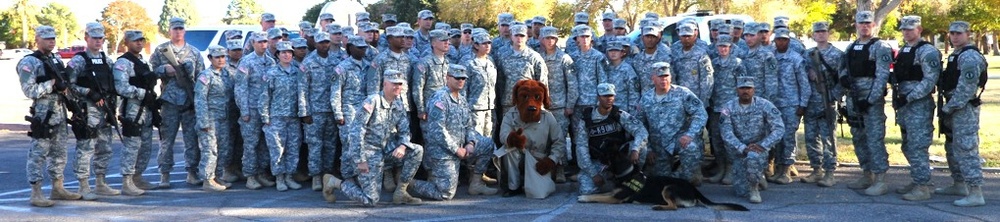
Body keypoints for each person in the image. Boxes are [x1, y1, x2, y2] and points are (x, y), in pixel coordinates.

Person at [323, 70, 425, 206]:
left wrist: (402, 145)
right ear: (385, 84)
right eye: (394, 84)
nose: (397, 87)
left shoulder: (399, 104)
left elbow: (405, 132)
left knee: (416, 150)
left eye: (400, 84)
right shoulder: (372, 101)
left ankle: (401, 192)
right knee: (371, 200)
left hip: (384, 148)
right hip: (367, 151)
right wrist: (360, 160)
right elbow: (356, 131)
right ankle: (334, 182)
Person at [412, 65, 499, 200]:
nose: (461, 81)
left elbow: (469, 125)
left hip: (462, 146)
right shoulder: (440, 99)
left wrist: (470, 142)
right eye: (457, 78)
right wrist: (456, 149)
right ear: (447, 78)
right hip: (442, 150)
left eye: (463, 78)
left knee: (487, 144)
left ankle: (476, 183)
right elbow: (437, 131)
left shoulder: (462, 99)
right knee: (445, 194)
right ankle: (409, 184)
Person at [19, 25, 83, 207]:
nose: (51, 41)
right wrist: (52, 84)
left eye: (53, 38)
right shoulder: (29, 62)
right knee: (38, 153)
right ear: (37, 39)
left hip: (59, 112)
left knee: (59, 153)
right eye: (46, 38)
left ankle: (58, 188)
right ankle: (36, 192)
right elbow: (29, 90)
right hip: (44, 115)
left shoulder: (55, 59)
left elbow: (65, 86)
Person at [886, 16, 941, 200]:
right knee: (908, 146)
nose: (906, 32)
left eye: (911, 29)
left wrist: (910, 97)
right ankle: (918, 179)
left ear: (920, 29)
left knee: (917, 146)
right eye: (904, 29)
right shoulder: (905, 49)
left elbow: (930, 79)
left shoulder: (927, 51)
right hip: (904, 104)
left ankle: (922, 187)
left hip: (918, 105)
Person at [839, 11, 893, 196]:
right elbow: (843, 69)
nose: (864, 26)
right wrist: (844, 78)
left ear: (873, 25)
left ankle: (880, 179)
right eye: (861, 23)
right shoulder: (851, 47)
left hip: (871, 100)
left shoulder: (880, 47)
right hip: (854, 99)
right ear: (856, 25)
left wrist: (870, 100)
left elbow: (882, 75)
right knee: (858, 137)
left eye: (868, 23)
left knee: (874, 138)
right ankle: (866, 174)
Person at [935, 21, 987, 207]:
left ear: (968, 34)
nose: (954, 36)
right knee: (952, 147)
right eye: (951, 33)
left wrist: (948, 108)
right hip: (953, 106)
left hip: (963, 109)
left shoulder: (970, 57)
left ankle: (975, 192)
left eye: (958, 33)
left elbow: (966, 89)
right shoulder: (956, 54)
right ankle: (959, 184)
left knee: (966, 149)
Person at [149, 17, 205, 188]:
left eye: (181, 29)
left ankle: (191, 172)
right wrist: (164, 70)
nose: (178, 32)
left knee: (191, 139)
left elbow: (200, 76)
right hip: (170, 101)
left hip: (189, 101)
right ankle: (164, 174)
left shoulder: (194, 52)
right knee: (167, 139)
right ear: (170, 31)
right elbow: (151, 72)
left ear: (184, 31)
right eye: (175, 29)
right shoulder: (161, 50)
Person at [67, 22, 120, 199]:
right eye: (94, 37)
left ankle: (100, 182)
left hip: (105, 110)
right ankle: (83, 186)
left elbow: (114, 84)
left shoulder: (107, 60)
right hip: (88, 110)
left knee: (105, 148)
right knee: (86, 148)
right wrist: (88, 92)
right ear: (86, 38)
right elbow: (68, 85)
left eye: (100, 38)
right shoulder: (79, 60)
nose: (98, 41)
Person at [637, 62, 708, 185]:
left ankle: (689, 177)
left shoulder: (683, 93)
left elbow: (700, 114)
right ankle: (676, 177)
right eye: (659, 77)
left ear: (671, 77)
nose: (663, 80)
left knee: (690, 148)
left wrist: (689, 135)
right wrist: (648, 149)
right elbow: (639, 125)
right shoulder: (646, 99)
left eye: (666, 76)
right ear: (652, 78)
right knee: (661, 181)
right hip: (658, 144)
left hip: (679, 139)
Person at [573, 83, 648, 195]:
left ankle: (634, 177)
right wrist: (593, 174)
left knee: (641, 148)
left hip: (619, 158)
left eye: (611, 96)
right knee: (587, 190)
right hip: (600, 161)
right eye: (605, 96)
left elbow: (641, 131)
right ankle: (613, 181)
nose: (609, 99)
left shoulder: (619, 115)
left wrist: (635, 149)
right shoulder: (587, 120)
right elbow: (581, 149)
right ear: (598, 97)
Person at [719, 76, 785, 204]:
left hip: (758, 149)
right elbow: (725, 132)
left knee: (752, 157)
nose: (745, 91)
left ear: (753, 90)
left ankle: (754, 189)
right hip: (738, 151)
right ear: (737, 90)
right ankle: (757, 177)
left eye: (748, 88)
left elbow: (779, 129)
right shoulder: (728, 107)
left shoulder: (765, 105)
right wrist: (742, 147)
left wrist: (763, 145)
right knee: (740, 192)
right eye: (742, 88)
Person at [261, 41, 310, 191]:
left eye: (289, 52)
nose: (287, 55)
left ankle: (289, 176)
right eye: (283, 52)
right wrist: (265, 116)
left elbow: (304, 92)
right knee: (277, 149)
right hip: (276, 116)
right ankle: (279, 178)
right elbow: (264, 96)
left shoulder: (298, 71)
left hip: (293, 116)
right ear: (277, 55)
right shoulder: (271, 73)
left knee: (293, 148)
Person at [113, 30, 157, 195]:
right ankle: (127, 181)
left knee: (145, 145)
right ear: (127, 43)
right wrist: (142, 93)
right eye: (135, 41)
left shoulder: (142, 62)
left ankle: (138, 176)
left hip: (146, 109)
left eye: (141, 40)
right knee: (132, 146)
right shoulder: (123, 63)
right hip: (132, 109)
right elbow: (121, 87)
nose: (139, 43)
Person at [802, 21, 845, 187]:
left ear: (828, 33)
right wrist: (809, 74)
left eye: (823, 31)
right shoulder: (808, 54)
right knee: (811, 137)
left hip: (827, 101)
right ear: (813, 34)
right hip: (811, 101)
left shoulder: (837, 55)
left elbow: (843, 78)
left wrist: (834, 96)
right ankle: (816, 169)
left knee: (828, 138)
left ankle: (830, 172)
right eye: (817, 32)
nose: (820, 34)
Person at [767, 28, 810, 185]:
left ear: (789, 41)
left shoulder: (796, 59)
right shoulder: (771, 57)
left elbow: (804, 84)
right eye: (778, 39)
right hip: (775, 104)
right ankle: (778, 169)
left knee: (788, 137)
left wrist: (803, 104)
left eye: (784, 40)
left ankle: (786, 170)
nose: (781, 42)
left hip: (792, 104)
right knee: (777, 137)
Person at [236, 32, 277, 190]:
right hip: (252, 109)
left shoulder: (271, 62)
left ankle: (261, 173)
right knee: (251, 144)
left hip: (266, 110)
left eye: (265, 41)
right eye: (259, 42)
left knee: (264, 144)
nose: (263, 45)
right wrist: (244, 111)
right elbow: (240, 88)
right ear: (253, 43)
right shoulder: (246, 62)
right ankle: (250, 176)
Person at [300, 32, 340, 191]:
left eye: (326, 42)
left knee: (330, 144)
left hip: (331, 110)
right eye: (321, 43)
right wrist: (304, 112)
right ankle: (316, 176)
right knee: (315, 145)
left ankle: (327, 174)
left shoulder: (336, 61)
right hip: (314, 111)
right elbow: (302, 88)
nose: (324, 45)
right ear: (315, 44)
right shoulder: (308, 63)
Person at [195, 45, 236, 191]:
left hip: (224, 119)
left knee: (223, 149)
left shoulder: (227, 74)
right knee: (210, 150)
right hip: (210, 119)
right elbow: (200, 99)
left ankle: (217, 176)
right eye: (217, 57)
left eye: (223, 56)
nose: (221, 59)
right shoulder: (206, 76)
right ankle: (208, 179)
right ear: (210, 58)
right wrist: (203, 121)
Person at [707, 34, 746, 185]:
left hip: (731, 108)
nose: (723, 49)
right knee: (716, 139)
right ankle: (721, 168)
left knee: (730, 139)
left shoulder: (737, 64)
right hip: (716, 107)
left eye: (726, 46)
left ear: (730, 47)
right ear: (716, 47)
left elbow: (743, 86)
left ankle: (731, 169)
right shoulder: (713, 63)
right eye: (720, 46)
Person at [497, 24, 548, 114]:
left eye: (522, 36)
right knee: (509, 128)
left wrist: (541, 103)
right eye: (516, 35)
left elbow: (542, 82)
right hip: (508, 103)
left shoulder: (534, 57)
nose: (519, 38)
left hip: (528, 102)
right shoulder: (502, 55)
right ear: (511, 37)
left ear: (527, 37)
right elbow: (500, 81)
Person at [464, 32, 499, 139]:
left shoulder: (491, 61)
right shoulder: (468, 62)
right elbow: (462, 88)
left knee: (489, 139)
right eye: (484, 43)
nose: (487, 46)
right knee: (475, 140)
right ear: (476, 45)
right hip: (475, 108)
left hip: (490, 107)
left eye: (489, 43)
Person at [631, 25, 671, 94]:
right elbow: (635, 84)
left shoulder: (665, 57)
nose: (650, 40)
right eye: (647, 37)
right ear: (642, 38)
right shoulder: (637, 59)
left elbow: (671, 81)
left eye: (653, 37)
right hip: (645, 100)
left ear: (657, 39)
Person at [604, 40, 640, 114]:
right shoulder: (604, 69)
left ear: (622, 53)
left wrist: (632, 113)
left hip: (623, 110)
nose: (613, 53)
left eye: (616, 50)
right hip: (607, 110)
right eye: (611, 51)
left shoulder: (627, 70)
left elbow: (634, 93)